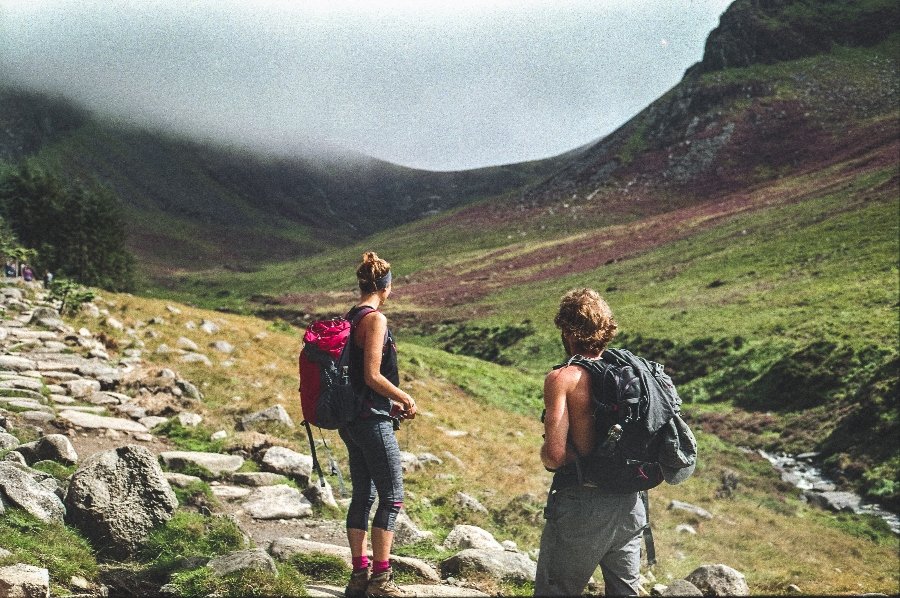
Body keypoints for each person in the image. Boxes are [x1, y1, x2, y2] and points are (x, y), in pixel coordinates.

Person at [535, 288, 646, 597]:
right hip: (631, 502)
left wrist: (548, 453)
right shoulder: (631, 372)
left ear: (566, 330)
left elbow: (555, 456)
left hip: (584, 503)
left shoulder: (563, 378)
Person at [340, 251, 417, 598]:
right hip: (371, 419)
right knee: (393, 497)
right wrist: (404, 398)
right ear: (385, 286)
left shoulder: (351, 316)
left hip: (352, 418)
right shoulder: (375, 320)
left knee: (363, 494)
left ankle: (359, 576)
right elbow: (372, 375)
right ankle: (381, 582)